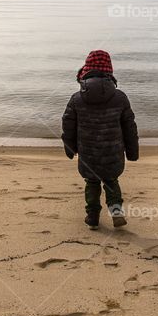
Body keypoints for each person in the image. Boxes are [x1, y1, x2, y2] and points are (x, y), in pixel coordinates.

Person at [61, 50, 139, 229]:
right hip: (113, 152)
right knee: (111, 180)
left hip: (88, 152)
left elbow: (68, 126)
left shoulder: (77, 99)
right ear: (109, 71)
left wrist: (70, 149)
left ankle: (92, 216)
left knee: (92, 181)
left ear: (86, 71)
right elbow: (130, 127)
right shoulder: (120, 97)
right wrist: (132, 152)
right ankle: (116, 211)